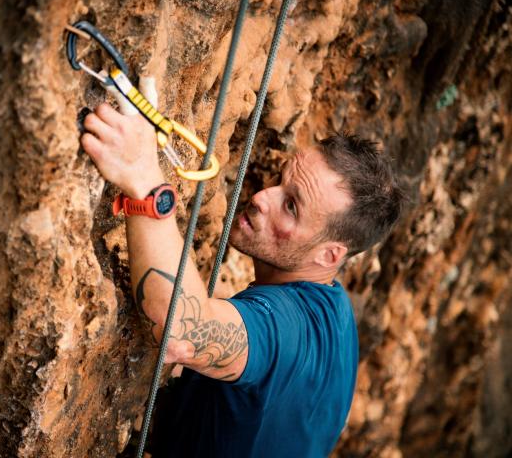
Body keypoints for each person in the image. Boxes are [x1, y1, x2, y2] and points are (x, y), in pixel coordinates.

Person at [80, 84, 406, 457]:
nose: (262, 197)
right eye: (280, 181)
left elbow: (180, 326)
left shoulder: (285, 327)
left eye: (292, 207)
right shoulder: (336, 313)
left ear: (330, 255)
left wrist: (144, 179)